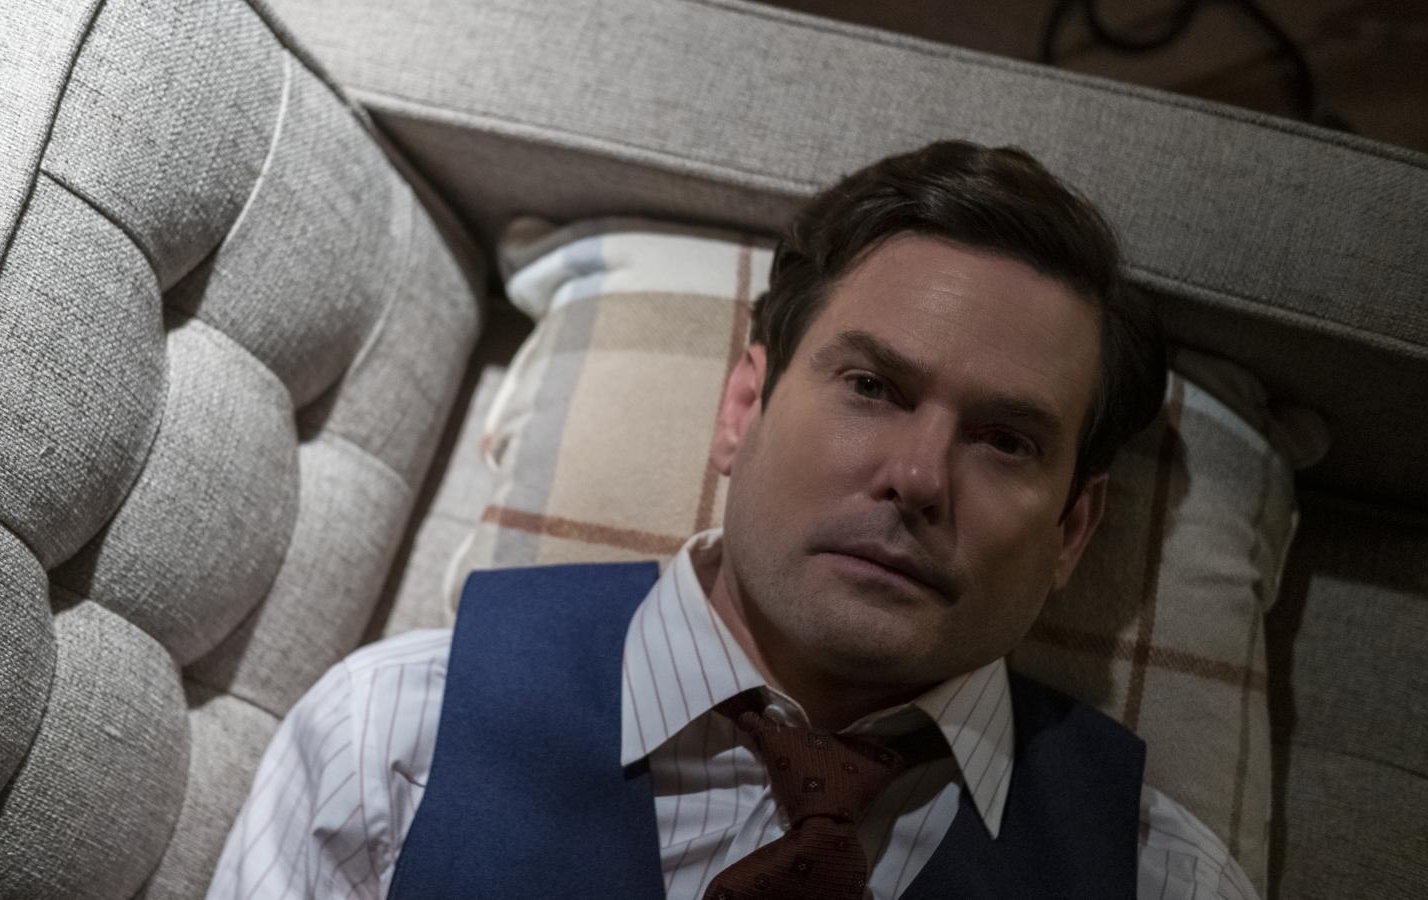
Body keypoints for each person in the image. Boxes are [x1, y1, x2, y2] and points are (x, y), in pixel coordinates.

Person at [206, 140, 1259, 900]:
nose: (918, 477)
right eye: (872, 388)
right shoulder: (391, 742)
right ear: (742, 409)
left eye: (1006, 441)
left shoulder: (1165, 880)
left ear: (1071, 532)